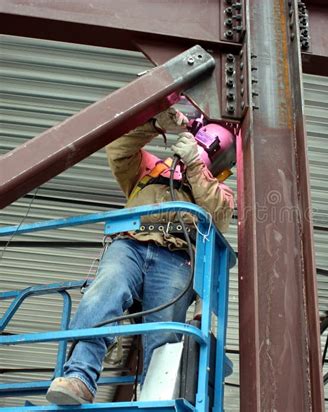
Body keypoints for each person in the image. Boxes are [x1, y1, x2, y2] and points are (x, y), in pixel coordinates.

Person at [45, 107, 235, 405]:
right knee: (104, 293)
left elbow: (219, 215)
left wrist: (195, 167)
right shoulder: (149, 167)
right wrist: (154, 124)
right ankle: (80, 376)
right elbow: (119, 149)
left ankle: (154, 401)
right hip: (130, 246)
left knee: (164, 332)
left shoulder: (216, 190)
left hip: (176, 258)